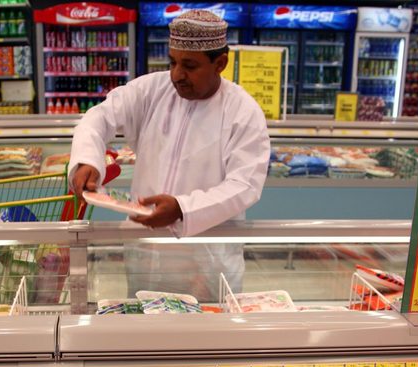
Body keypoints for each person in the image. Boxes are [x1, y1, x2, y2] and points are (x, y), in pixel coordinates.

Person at [68, 10, 270, 301]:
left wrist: (183, 209)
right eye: (173, 62)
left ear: (220, 63)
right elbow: (98, 118)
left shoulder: (243, 112)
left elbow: (244, 186)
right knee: (146, 331)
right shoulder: (151, 90)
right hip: (146, 251)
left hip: (206, 260)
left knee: (204, 339)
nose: (177, 75)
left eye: (190, 65)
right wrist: (88, 158)